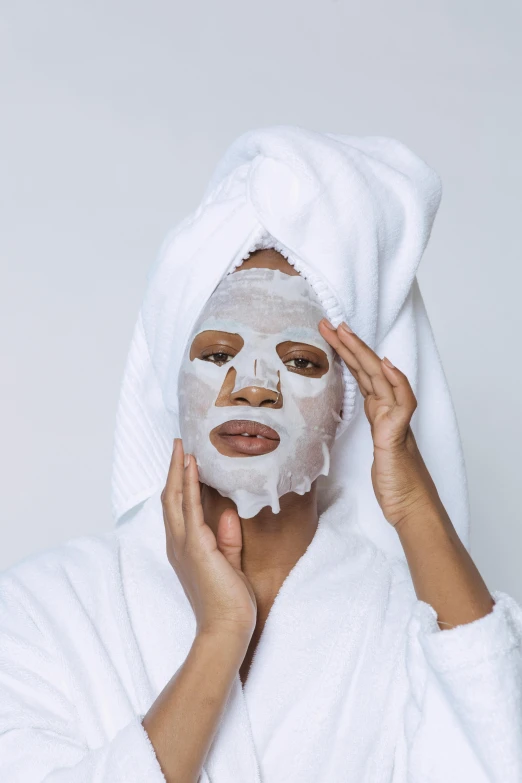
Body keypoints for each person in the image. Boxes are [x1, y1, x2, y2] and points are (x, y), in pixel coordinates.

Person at [1, 125, 521, 783]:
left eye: (300, 360)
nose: (252, 383)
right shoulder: (44, 609)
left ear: (347, 405)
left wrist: (415, 503)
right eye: (217, 354)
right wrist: (221, 636)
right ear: (172, 381)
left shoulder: (400, 626)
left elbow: (495, 758)